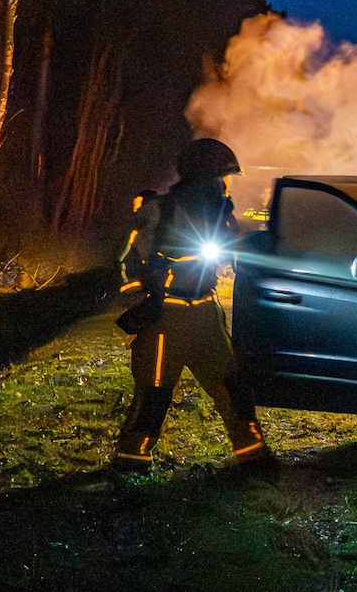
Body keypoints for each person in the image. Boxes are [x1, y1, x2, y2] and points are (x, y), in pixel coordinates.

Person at [112, 138, 271, 473]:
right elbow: (129, 260)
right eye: (219, 178)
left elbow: (233, 247)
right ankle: (131, 461)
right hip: (164, 317)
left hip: (205, 312)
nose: (224, 186)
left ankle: (253, 455)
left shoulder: (219, 214)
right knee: (154, 393)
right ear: (201, 178)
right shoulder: (160, 210)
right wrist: (142, 299)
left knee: (232, 385)